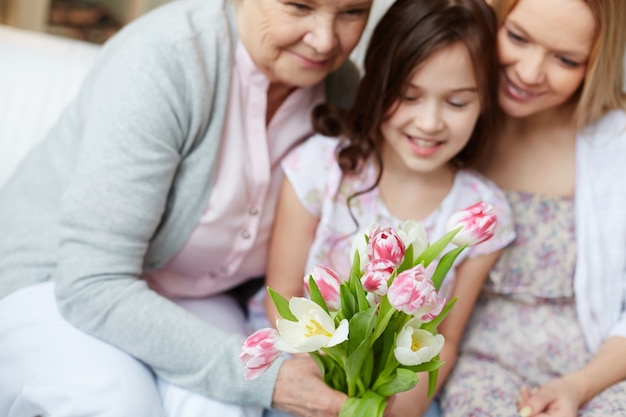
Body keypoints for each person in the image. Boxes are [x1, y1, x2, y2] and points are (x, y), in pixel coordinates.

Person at [0, 0, 375, 415]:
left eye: (353, 12)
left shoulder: (340, 89)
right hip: (59, 282)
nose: (325, 40)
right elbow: (91, 284)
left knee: (222, 411)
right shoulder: (164, 58)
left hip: (195, 291)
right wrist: (269, 379)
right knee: (119, 405)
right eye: (298, 6)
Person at [251, 0, 516, 416]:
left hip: (400, 400)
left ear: (484, 104)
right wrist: (317, 388)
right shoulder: (319, 169)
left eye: (457, 103)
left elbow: (441, 345)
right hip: (302, 372)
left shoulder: (480, 214)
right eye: (409, 96)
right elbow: (280, 298)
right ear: (377, 84)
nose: (429, 122)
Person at [439, 0, 626, 416]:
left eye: (566, 59)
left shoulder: (616, 144)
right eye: (517, 37)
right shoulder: (442, 124)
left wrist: (578, 386)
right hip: (481, 367)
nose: (528, 72)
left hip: (602, 368)